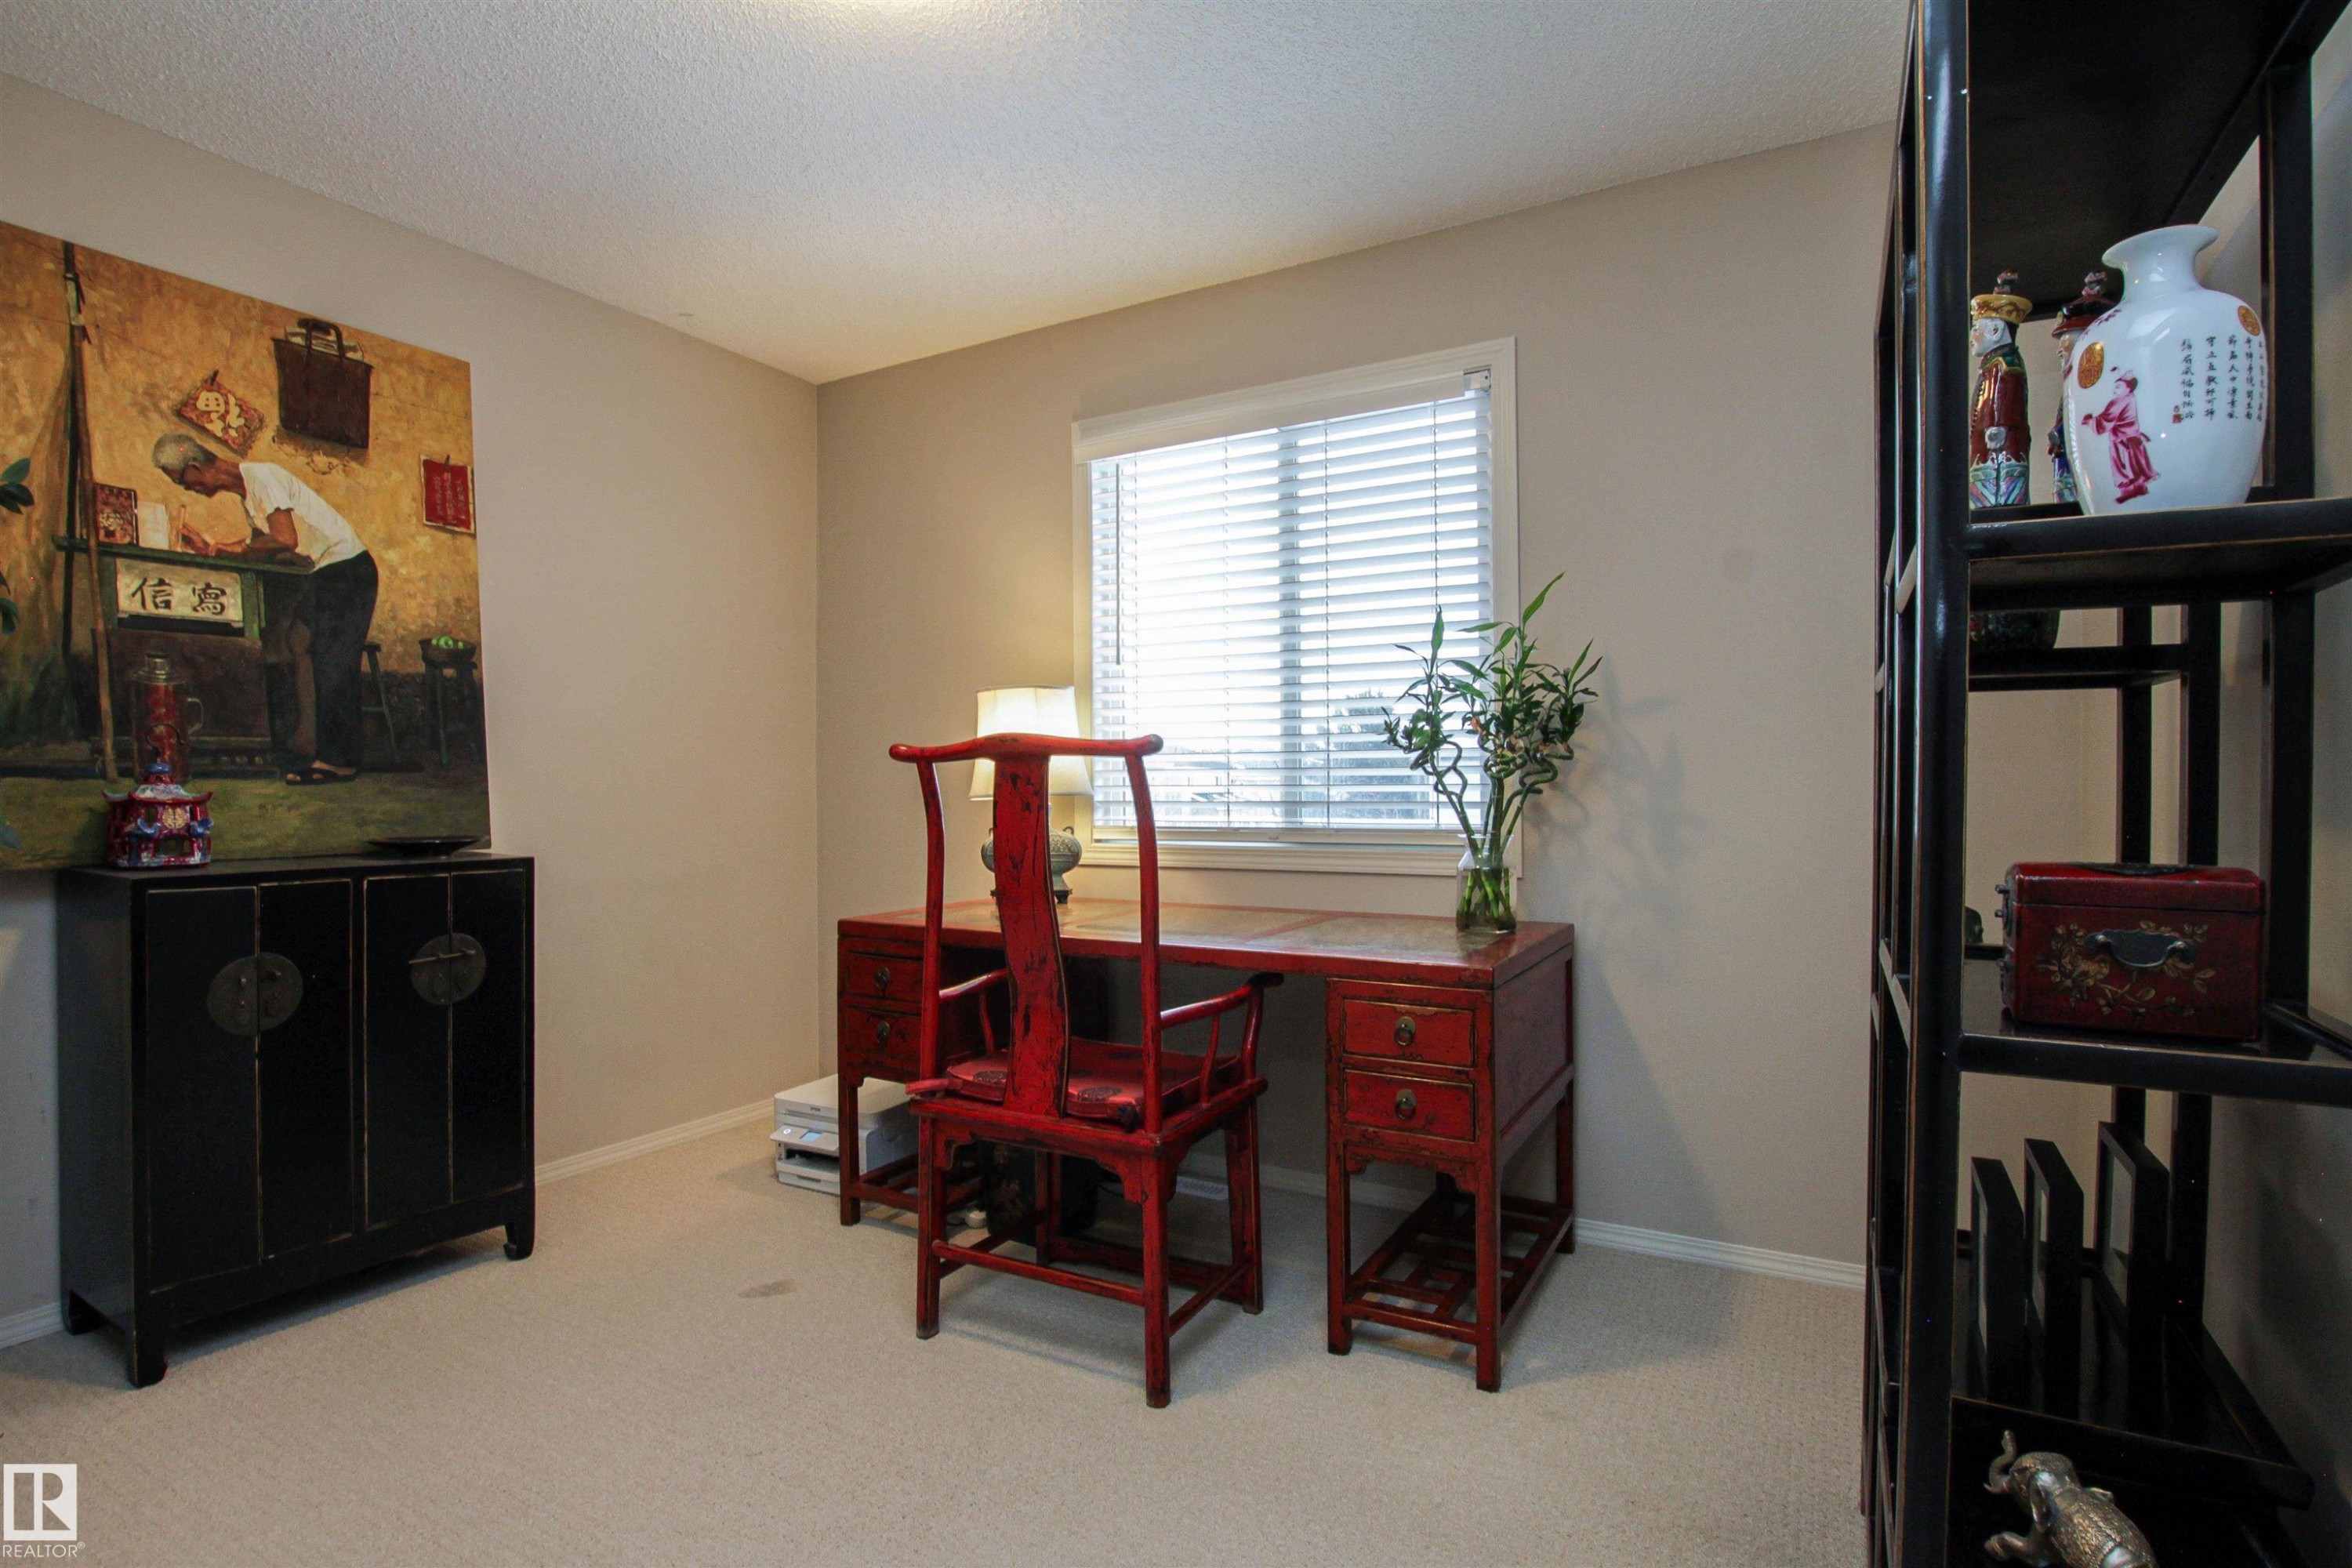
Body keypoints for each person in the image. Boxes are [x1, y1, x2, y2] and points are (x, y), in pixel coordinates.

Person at [152, 433, 378, 785]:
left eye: (182, 481)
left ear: (196, 468)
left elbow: (285, 540)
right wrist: (213, 548)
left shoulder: (264, 477)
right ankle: (310, 741)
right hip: (326, 571)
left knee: (333, 660)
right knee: (298, 642)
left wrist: (234, 549)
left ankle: (340, 760)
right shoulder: (249, 495)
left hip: (347, 569)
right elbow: (263, 545)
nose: (187, 489)